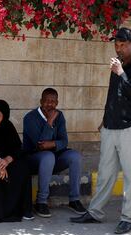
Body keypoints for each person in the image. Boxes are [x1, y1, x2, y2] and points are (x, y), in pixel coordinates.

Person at [70, 27, 131, 234]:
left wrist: (122, 73)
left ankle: (127, 217)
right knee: (105, 173)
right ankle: (95, 212)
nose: (119, 49)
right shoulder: (118, 66)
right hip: (110, 127)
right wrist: (104, 120)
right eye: (116, 45)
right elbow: (113, 96)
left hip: (130, 129)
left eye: (123, 45)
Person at [23, 88, 86, 218]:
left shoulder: (60, 115)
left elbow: (64, 140)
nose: (50, 104)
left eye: (53, 102)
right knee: (48, 155)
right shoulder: (30, 118)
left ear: (57, 103)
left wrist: (52, 144)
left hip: (53, 156)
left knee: (75, 156)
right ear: (41, 101)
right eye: (46, 101)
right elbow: (40, 145)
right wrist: (50, 122)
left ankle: (74, 199)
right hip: (33, 159)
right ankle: (41, 202)